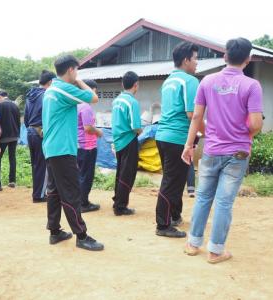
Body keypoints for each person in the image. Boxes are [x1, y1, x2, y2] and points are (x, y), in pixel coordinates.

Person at [182, 38, 263, 263]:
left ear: (225, 57)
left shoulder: (207, 81)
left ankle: (192, 244)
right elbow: (255, 124)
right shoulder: (252, 86)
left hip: (211, 150)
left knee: (203, 197)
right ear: (248, 59)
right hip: (238, 153)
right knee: (224, 202)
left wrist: (189, 146)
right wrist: (242, 133)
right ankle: (216, 251)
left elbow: (197, 117)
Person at [42, 55, 104, 251]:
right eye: (76, 70)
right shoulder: (63, 88)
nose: (77, 74)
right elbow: (93, 98)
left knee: (54, 191)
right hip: (63, 149)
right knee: (71, 191)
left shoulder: (50, 90)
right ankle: (81, 235)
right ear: (71, 70)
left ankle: (54, 231)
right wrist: (78, 81)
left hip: (51, 147)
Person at [154, 42, 205, 238]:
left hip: (163, 136)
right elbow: (193, 114)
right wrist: (207, 132)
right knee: (172, 181)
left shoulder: (168, 81)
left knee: (174, 179)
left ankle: (174, 215)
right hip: (177, 138)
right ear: (186, 60)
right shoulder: (190, 81)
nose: (197, 63)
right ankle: (163, 225)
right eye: (195, 59)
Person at [111, 71, 142, 216]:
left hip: (118, 141)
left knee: (120, 172)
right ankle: (120, 206)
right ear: (136, 85)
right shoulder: (132, 102)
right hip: (129, 140)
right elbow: (135, 127)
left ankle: (117, 200)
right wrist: (141, 131)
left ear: (123, 84)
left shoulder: (116, 100)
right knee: (127, 174)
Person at [24, 70, 56, 203]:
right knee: (42, 165)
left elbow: (26, 118)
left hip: (30, 131)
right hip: (39, 132)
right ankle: (40, 195)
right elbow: (48, 116)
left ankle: (37, 193)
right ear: (50, 82)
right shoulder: (46, 95)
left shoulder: (30, 96)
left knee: (36, 165)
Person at [77, 79, 102, 213]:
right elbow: (88, 128)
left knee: (81, 174)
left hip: (79, 145)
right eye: (94, 91)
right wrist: (99, 132)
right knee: (86, 175)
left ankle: (81, 201)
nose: (95, 95)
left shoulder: (76, 105)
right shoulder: (86, 107)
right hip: (87, 146)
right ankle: (83, 203)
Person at [0, 90, 21, 190]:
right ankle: (12, 181)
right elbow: (18, 121)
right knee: (12, 158)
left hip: (2, 137)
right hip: (14, 136)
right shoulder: (15, 106)